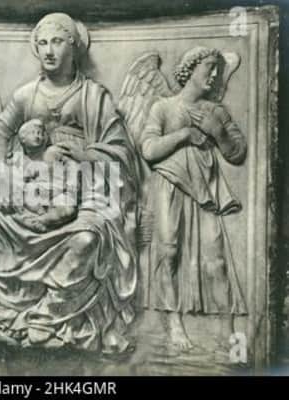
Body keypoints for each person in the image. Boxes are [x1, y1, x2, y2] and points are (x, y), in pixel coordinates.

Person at [0, 13, 139, 354]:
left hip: (86, 181)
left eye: (57, 41)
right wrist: (1, 174)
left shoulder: (93, 96)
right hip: (30, 178)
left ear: (74, 46)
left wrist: (84, 154)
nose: (48, 50)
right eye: (42, 43)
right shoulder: (26, 94)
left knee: (88, 237)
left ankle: (50, 315)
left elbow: (120, 149)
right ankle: (8, 304)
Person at [140, 46, 247, 351]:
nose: (214, 75)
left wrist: (218, 132)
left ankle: (226, 328)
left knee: (216, 258)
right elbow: (148, 149)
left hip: (205, 189)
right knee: (169, 251)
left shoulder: (216, 111)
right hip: (170, 185)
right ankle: (174, 325)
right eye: (209, 67)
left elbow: (237, 153)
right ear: (190, 68)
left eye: (218, 70)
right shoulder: (164, 107)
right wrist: (184, 135)